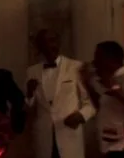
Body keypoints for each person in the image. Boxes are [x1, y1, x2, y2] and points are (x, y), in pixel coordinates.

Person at [25, 29, 94, 158]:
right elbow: (30, 109)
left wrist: (81, 116)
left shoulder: (76, 67)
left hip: (69, 136)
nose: (49, 45)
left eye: (52, 40)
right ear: (39, 46)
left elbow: (90, 102)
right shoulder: (32, 71)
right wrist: (29, 94)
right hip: (44, 139)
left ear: (59, 42)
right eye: (44, 42)